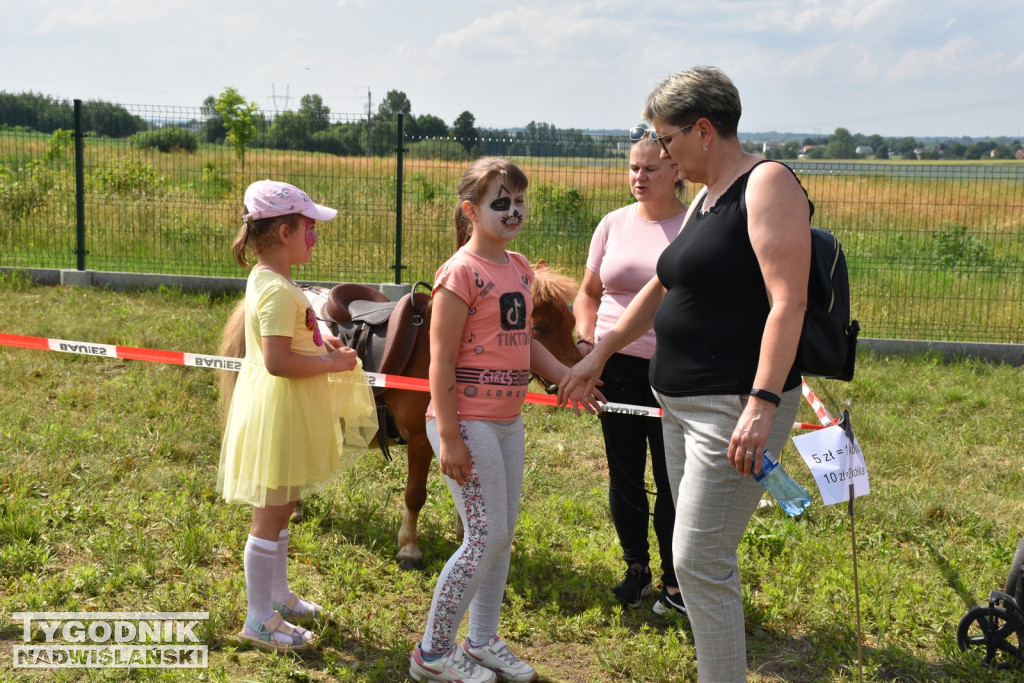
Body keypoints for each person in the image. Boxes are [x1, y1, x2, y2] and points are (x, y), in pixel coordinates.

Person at [558, 66, 812, 682]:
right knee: (692, 554)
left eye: (666, 140)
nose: (662, 153)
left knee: (698, 560)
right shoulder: (707, 197)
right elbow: (659, 285)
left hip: (731, 407)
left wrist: (762, 401)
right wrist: (596, 354)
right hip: (682, 404)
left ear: (703, 129)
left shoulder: (767, 184)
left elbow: (788, 302)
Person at [409, 158, 601, 683]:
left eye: (519, 200)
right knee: (483, 536)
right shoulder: (459, 273)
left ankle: (482, 639)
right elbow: (440, 361)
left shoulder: (518, 268)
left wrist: (567, 375)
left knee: (502, 535)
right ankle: (432, 652)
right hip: (465, 423)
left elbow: (523, 345)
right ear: (471, 210)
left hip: (507, 423)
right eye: (501, 201)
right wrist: (448, 436)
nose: (513, 210)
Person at [219, 179, 375, 653]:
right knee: (268, 517)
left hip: (289, 410)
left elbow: (292, 339)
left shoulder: (278, 283)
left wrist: (319, 341)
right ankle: (258, 619)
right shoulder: (274, 290)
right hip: (279, 411)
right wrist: (328, 363)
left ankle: (278, 596)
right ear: (284, 231)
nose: (315, 235)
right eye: (309, 227)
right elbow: (276, 361)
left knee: (283, 507)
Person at [573, 134, 687, 615]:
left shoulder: (692, 227)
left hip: (672, 370)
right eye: (633, 168)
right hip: (612, 366)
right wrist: (585, 347)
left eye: (650, 169)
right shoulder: (612, 224)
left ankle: (676, 579)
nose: (638, 178)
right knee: (624, 473)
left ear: (677, 171)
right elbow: (588, 293)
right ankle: (636, 568)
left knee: (671, 476)